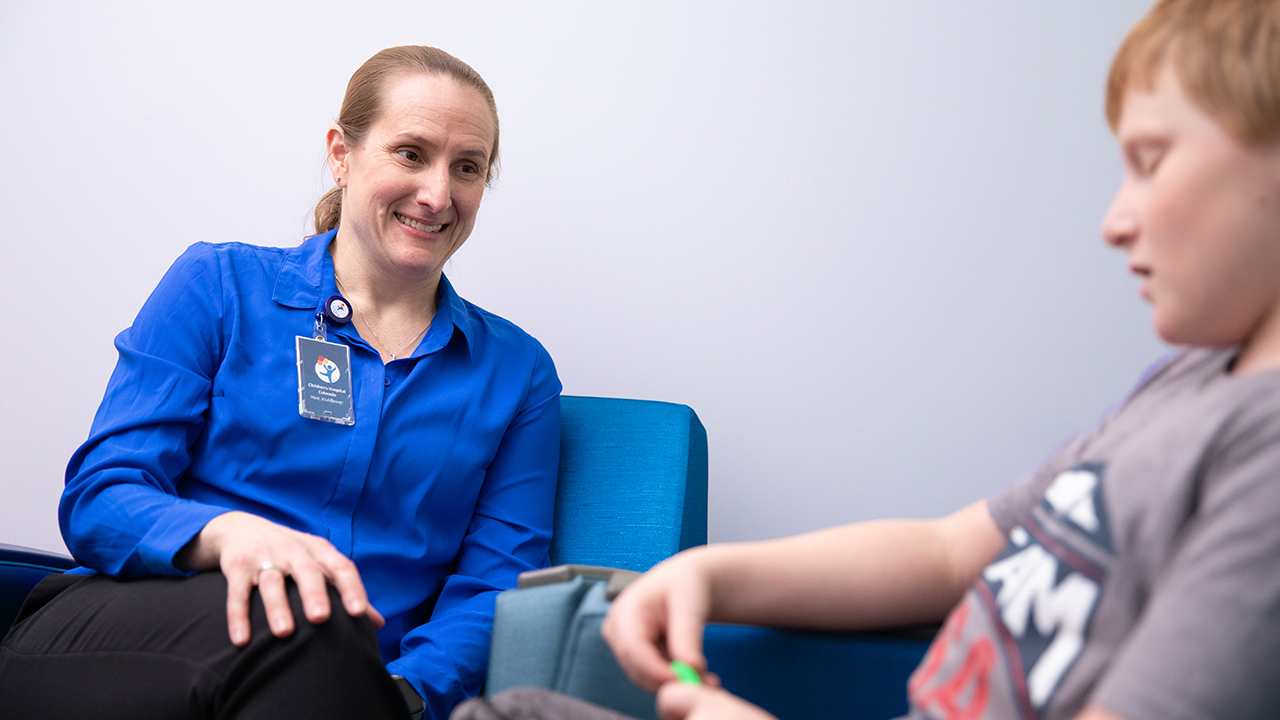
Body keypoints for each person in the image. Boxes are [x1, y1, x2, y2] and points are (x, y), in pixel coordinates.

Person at [454, 1, 1280, 719]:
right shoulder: (1188, 384)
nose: (1115, 220)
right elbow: (949, 555)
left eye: (1150, 161)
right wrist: (705, 576)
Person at [0, 46, 561, 720]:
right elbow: (100, 497)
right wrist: (231, 536)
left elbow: (495, 585)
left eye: (466, 168)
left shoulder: (517, 372)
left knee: (323, 643)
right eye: (411, 154)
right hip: (133, 632)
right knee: (302, 611)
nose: (438, 194)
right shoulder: (217, 285)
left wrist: (405, 694)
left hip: (341, 682)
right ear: (341, 153)